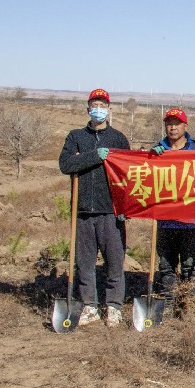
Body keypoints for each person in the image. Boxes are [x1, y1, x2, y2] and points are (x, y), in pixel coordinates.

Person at [58, 88, 131, 327]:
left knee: (114, 260)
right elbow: (66, 164)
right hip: (83, 211)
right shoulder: (76, 136)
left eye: (102, 104)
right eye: (94, 104)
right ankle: (89, 306)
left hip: (111, 210)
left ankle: (113, 306)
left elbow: (131, 171)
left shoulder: (118, 138)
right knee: (85, 262)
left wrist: (126, 208)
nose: (98, 108)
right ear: (88, 108)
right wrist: (92, 157)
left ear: (109, 109)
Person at [148, 108, 195, 295]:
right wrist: (150, 158)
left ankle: (186, 305)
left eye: (177, 123)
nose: (173, 128)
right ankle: (167, 303)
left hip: (192, 221)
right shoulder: (158, 150)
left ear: (185, 125)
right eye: (169, 124)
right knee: (166, 266)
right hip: (166, 219)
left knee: (189, 268)